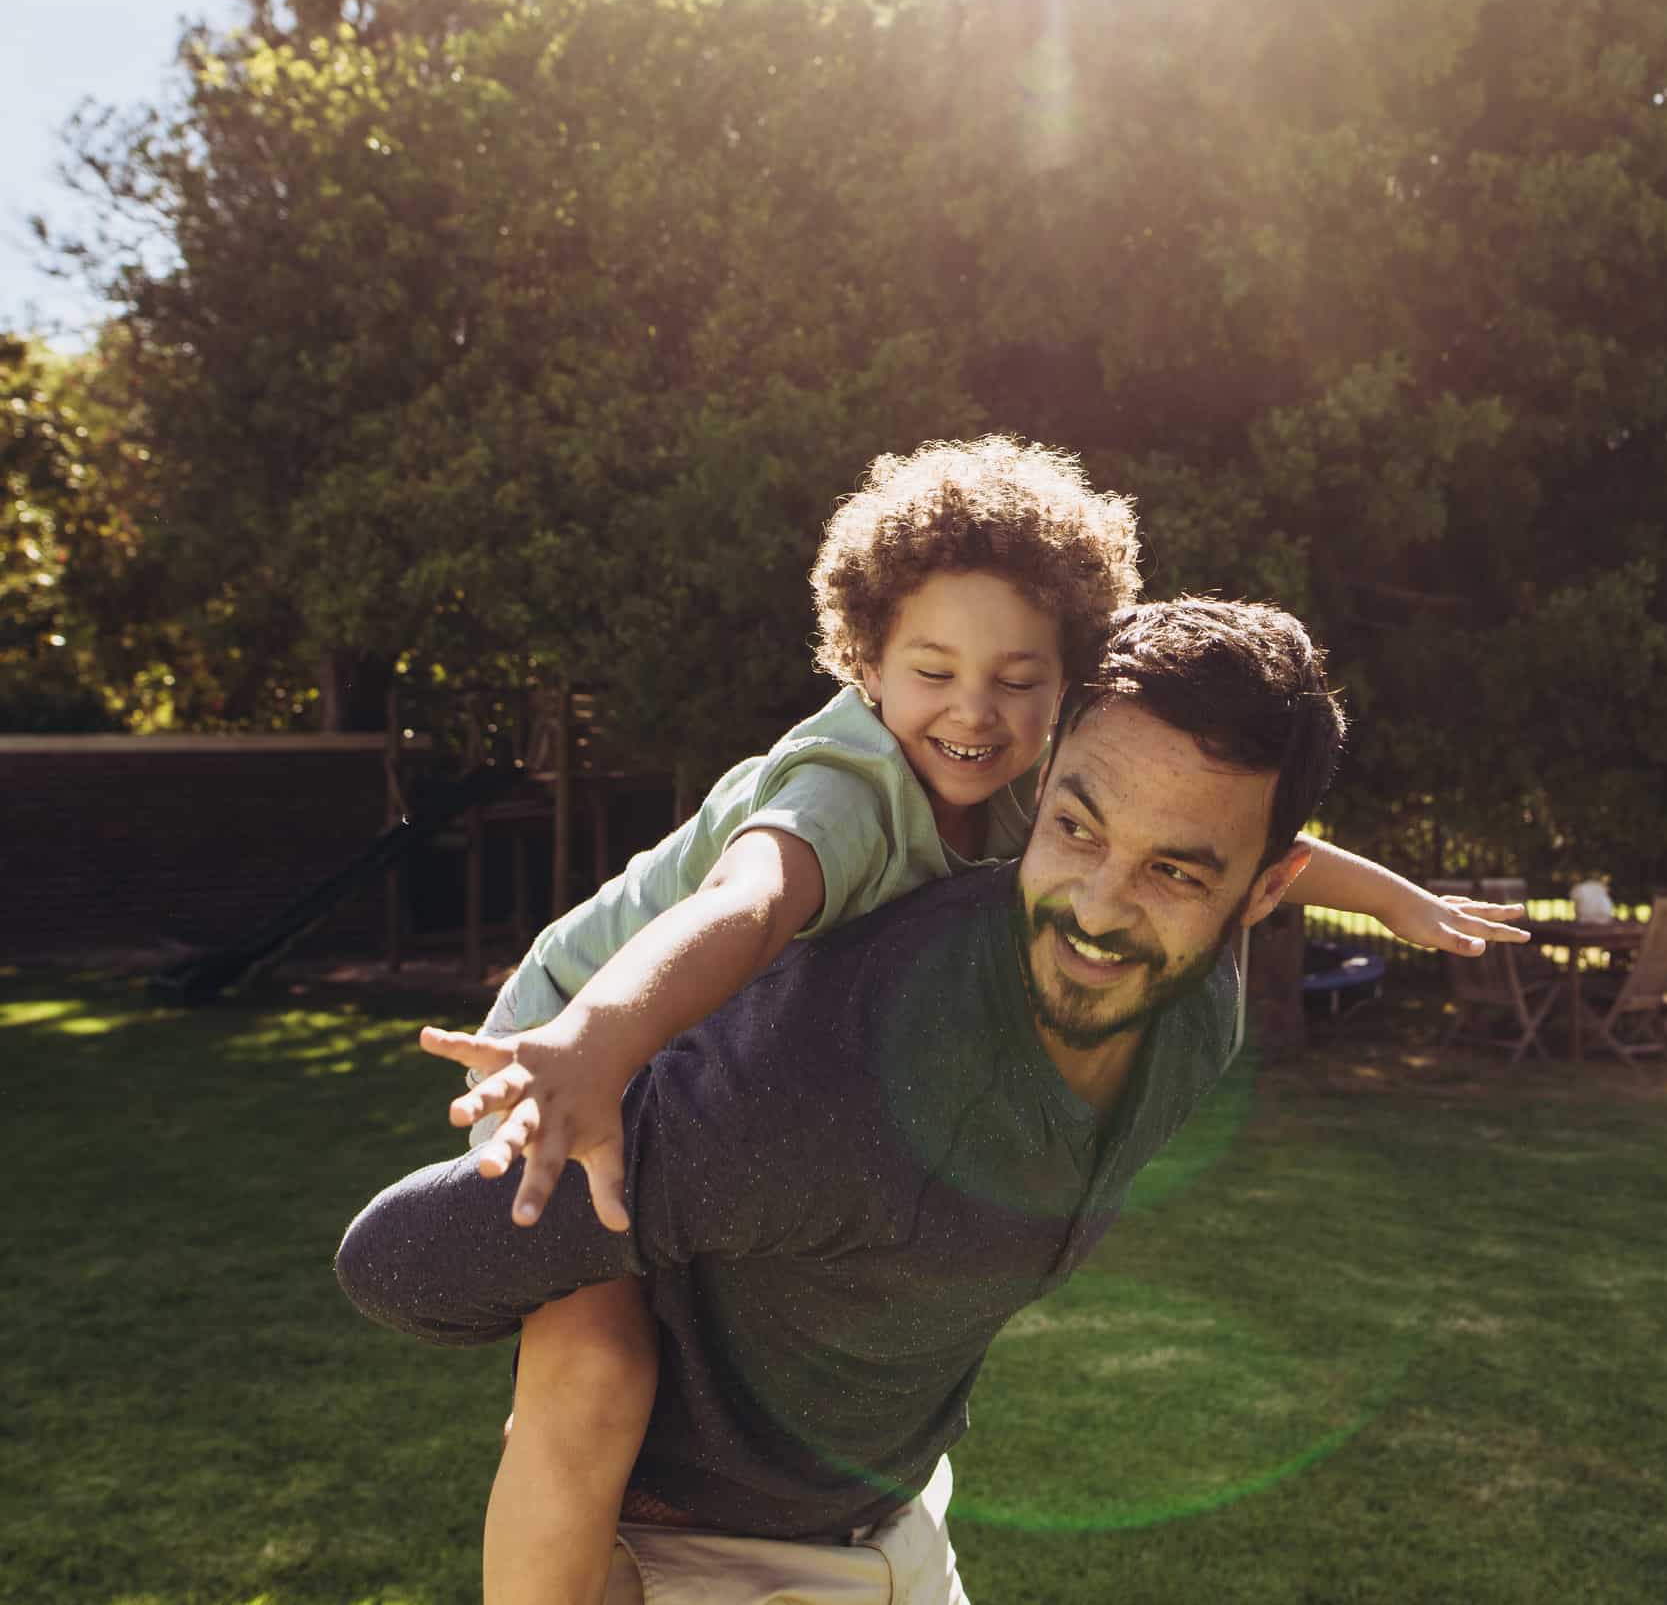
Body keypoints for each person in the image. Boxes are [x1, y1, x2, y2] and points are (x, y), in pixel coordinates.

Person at [337, 597, 1526, 1604]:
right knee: (585, 1375)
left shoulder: (1194, 1014)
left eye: (1175, 871)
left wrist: (1391, 897)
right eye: (1076, 828)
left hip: (901, 1539)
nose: (1097, 909)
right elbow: (400, 1262)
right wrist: (597, 1161)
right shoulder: (816, 1079)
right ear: (1042, 789)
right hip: (692, 1563)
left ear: (1260, 896)